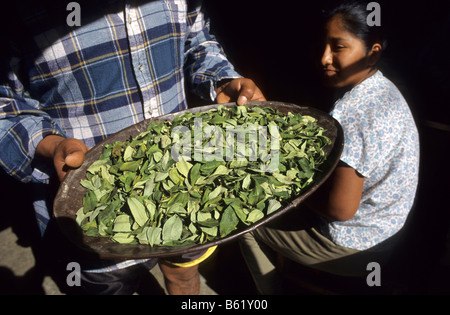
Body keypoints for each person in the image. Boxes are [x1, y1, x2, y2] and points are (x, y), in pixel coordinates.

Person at [0, 0, 265, 294]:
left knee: (184, 277)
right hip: (94, 207)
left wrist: (220, 79)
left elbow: (197, 42)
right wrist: (50, 144)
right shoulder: (18, 12)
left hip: (187, 188)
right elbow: (5, 105)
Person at [239, 0, 420, 294]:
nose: (324, 57)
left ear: (373, 53)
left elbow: (339, 210)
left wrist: (283, 179)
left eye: (338, 47)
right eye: (324, 45)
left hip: (360, 247)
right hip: (389, 228)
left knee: (245, 225)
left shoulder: (355, 114)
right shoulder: (382, 88)